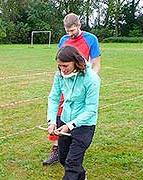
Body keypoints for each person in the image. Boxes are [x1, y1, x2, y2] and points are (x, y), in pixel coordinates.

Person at [44, 45, 100, 180]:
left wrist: (71, 125)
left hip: (84, 125)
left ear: (76, 62)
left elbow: (91, 109)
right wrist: (52, 121)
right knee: (63, 157)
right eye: (59, 66)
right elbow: (53, 97)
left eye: (65, 66)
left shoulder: (91, 79)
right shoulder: (60, 74)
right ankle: (81, 177)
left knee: (72, 162)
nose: (62, 70)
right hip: (64, 120)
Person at [43, 13, 101, 165]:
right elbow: (61, 61)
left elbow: (96, 63)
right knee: (59, 114)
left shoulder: (91, 39)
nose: (70, 34)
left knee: (78, 114)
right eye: (67, 31)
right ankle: (57, 149)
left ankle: (76, 146)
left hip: (81, 82)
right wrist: (62, 75)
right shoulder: (63, 40)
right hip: (66, 81)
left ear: (79, 25)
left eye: (73, 30)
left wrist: (88, 82)